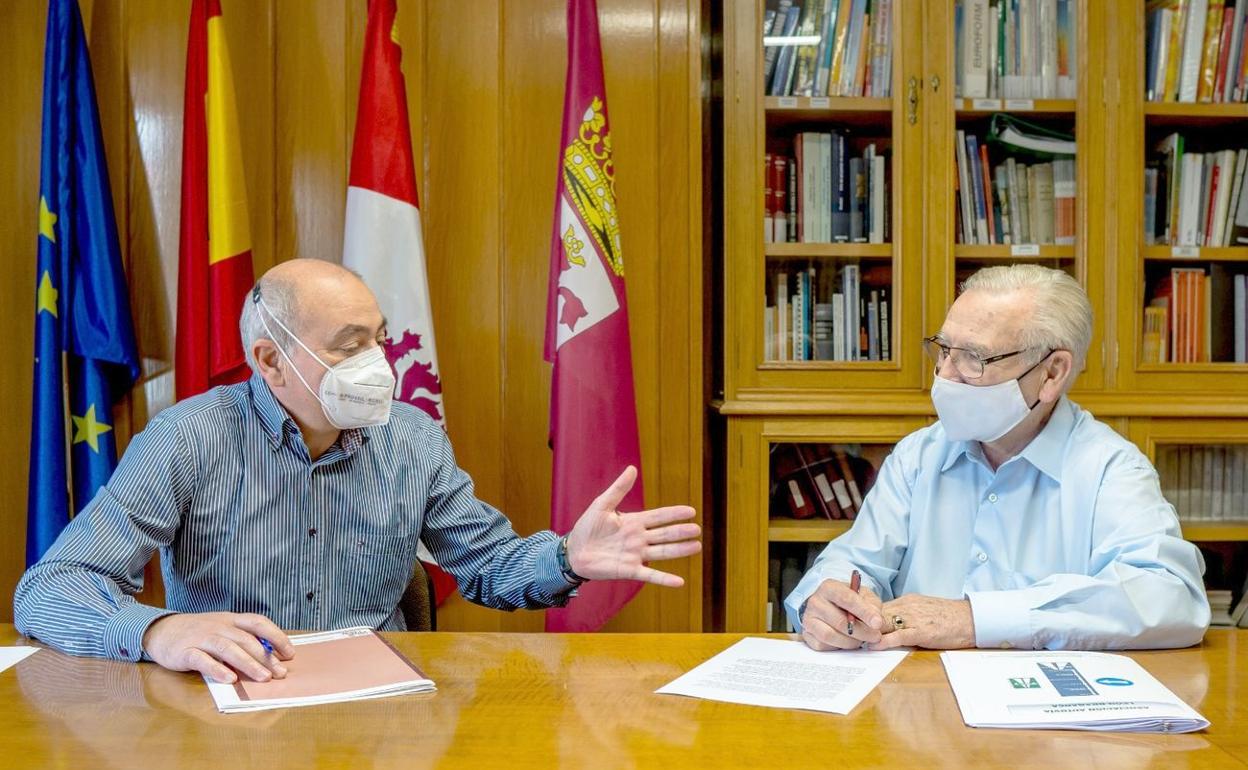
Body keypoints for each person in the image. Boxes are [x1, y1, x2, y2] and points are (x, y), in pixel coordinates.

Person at [16, 259, 701, 684]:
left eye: (377, 336)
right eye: (350, 346)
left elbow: (488, 566)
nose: (381, 361)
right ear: (269, 359)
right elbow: (49, 589)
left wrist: (568, 558)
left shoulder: (411, 437)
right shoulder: (188, 439)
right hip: (234, 700)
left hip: (384, 708)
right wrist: (159, 631)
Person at [786, 264, 1209, 652]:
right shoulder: (919, 455)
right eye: (944, 350)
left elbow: (1170, 596)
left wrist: (975, 619)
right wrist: (823, 603)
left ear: (1052, 373)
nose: (945, 375)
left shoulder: (1110, 469)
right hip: (918, 708)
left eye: (974, 358)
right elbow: (854, 563)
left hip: (1049, 723)